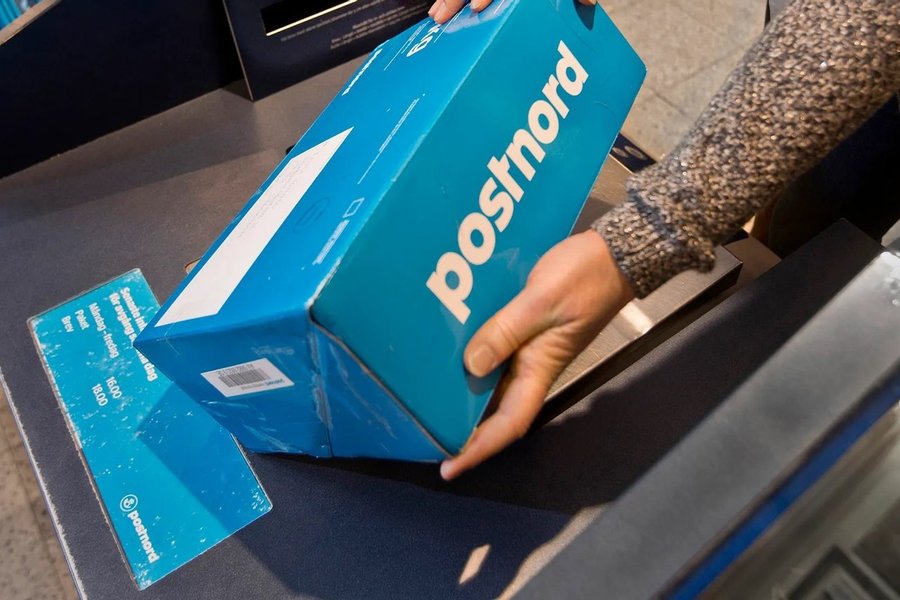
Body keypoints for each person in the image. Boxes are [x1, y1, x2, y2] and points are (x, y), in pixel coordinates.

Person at [430, 0, 900, 480]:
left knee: (829, 234)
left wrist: (647, 233)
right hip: (826, 30)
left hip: (858, 32)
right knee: (802, 215)